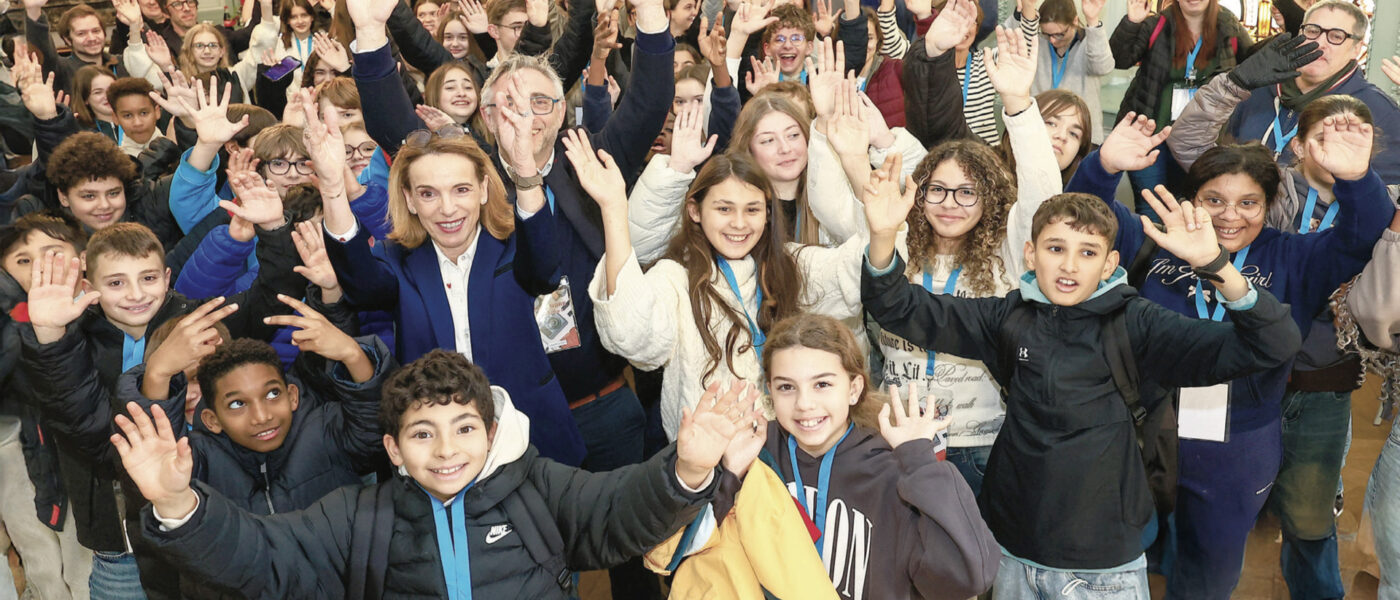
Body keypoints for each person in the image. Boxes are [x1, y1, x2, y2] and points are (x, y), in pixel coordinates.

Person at [863, 172, 1302, 599]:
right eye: (1056, 248)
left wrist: (1215, 265)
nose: (1070, 265)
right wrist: (883, 237)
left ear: (1110, 263)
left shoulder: (1138, 324)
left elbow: (1273, 343)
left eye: (1088, 252)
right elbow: (900, 307)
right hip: (1014, 550)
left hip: (1102, 564)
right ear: (1032, 255)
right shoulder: (1008, 318)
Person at [1069, 111, 1393, 600]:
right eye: (1213, 200)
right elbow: (1083, 217)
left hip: (1237, 442)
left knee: (1209, 571)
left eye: (1249, 203)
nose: (1229, 215)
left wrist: (1355, 178)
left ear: (1269, 204)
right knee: (1125, 550)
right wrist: (1104, 166)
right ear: (1192, 199)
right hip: (1144, 427)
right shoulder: (1161, 241)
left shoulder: (1295, 258)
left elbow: (1362, 233)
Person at [110, 349, 746, 598]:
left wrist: (687, 466)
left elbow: (618, 511)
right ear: (392, 449)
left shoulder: (539, 489)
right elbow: (263, 558)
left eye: (465, 429)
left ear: (491, 434)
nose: (446, 450)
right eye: (422, 433)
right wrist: (176, 503)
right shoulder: (357, 517)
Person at [650, 313, 1001, 599]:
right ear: (769, 391)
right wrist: (726, 475)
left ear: (854, 389)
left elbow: (968, 578)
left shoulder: (891, 468)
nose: (804, 404)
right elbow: (670, 556)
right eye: (787, 387)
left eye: (822, 384)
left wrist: (920, 463)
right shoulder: (755, 453)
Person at [579, 133, 865, 439]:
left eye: (752, 210)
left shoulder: (791, 265)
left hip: (791, 451)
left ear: (768, 215)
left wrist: (858, 167)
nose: (739, 223)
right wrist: (613, 210)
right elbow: (632, 336)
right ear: (695, 211)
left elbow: (859, 271)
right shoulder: (674, 278)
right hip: (709, 463)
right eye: (724, 209)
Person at [1222, 0, 1400, 184]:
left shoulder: (1379, 112)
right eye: (1313, 31)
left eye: (1336, 36)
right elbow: (1224, 157)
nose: (1320, 43)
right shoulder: (1258, 89)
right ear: (1300, 33)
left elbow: (1384, 200)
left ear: (1357, 48)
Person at [1110, 0, 1251, 209]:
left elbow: (1253, 65)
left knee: (1188, 208)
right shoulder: (1158, 24)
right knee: (1152, 209)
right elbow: (1119, 59)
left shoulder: (1229, 27)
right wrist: (1132, 22)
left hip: (1199, 141)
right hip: (1150, 137)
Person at [1010, 0, 1113, 143]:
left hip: (1079, 134)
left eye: (1059, 34)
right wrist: (1024, 10)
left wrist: (1093, 21)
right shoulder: (1038, 42)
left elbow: (1103, 67)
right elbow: (1012, 45)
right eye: (1047, 34)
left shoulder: (1089, 43)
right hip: (1040, 130)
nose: (1052, 40)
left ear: (1075, 21)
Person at [70, 65, 119, 141]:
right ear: (85, 99)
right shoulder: (80, 133)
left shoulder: (136, 122)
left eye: (111, 89)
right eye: (98, 92)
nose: (107, 96)